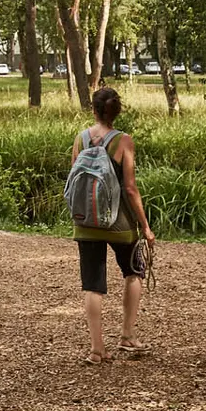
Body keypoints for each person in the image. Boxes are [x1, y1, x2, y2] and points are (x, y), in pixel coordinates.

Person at [71, 86, 155, 364]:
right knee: (134, 272)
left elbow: (73, 181)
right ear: (117, 113)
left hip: (86, 222)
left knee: (92, 285)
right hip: (119, 223)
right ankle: (127, 335)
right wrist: (145, 226)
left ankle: (97, 350)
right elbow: (130, 189)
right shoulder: (123, 141)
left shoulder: (81, 139)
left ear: (93, 110)